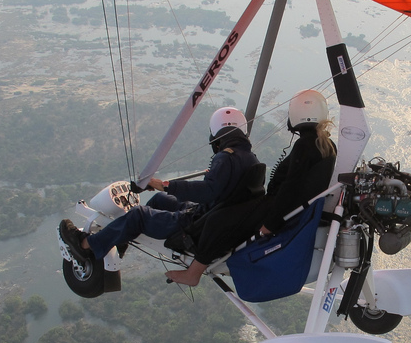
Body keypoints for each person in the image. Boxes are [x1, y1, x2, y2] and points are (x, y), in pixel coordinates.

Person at [165, 89, 337, 287]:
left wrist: (271, 223)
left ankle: (193, 274)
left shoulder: (305, 145)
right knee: (223, 214)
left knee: (218, 221)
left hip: (275, 208)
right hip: (288, 210)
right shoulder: (325, 144)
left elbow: (290, 187)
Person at [59, 107, 260, 264]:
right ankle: (119, 239)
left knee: (138, 214)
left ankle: (86, 246)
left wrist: (164, 184)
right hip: (212, 217)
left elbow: (207, 191)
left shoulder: (226, 158)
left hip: (197, 226)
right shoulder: (249, 158)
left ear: (216, 136)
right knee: (159, 201)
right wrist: (164, 190)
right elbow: (221, 190)